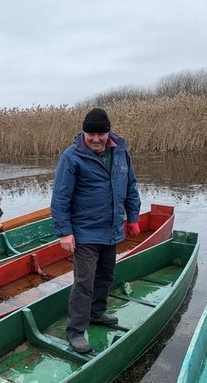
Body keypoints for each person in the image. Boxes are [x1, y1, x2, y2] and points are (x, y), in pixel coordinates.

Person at [50, 108, 141, 354]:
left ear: (108, 132)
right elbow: (60, 197)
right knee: (84, 282)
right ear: (84, 132)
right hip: (85, 232)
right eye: (90, 134)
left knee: (106, 275)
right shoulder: (72, 157)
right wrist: (64, 232)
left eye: (100, 133)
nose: (96, 139)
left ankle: (97, 312)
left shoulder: (120, 152)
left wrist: (133, 217)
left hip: (111, 229)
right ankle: (76, 331)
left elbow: (130, 186)